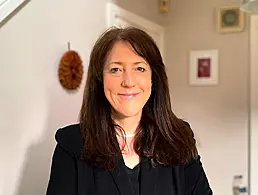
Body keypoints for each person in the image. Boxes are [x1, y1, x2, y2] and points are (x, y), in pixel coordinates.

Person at [46, 27, 213, 195]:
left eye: (139, 68)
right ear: (100, 79)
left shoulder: (178, 138)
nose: (128, 82)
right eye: (116, 70)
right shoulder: (72, 145)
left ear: (153, 78)